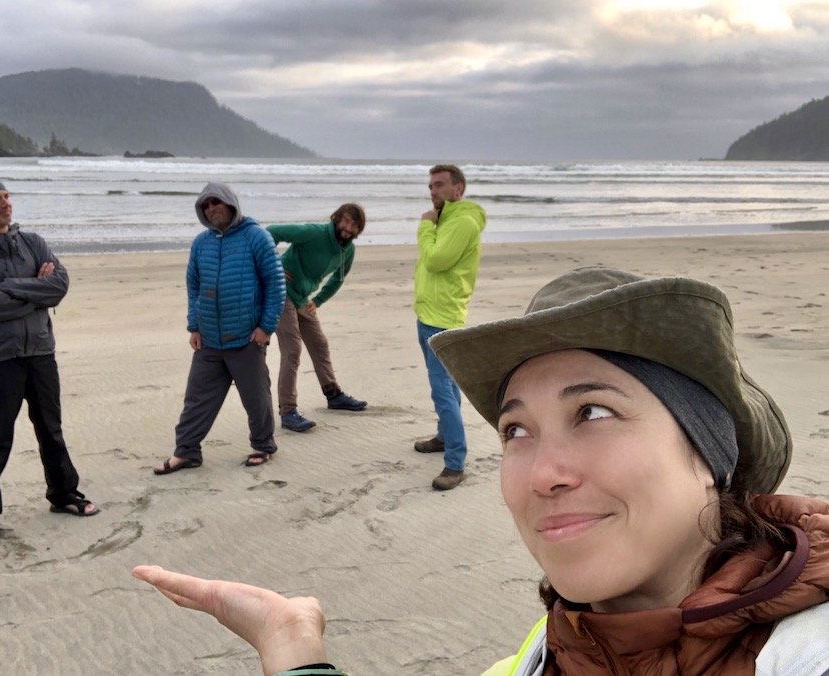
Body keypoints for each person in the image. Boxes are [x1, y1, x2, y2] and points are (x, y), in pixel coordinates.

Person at [133, 266, 828, 675]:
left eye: (592, 413)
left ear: (709, 453)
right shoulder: (554, 645)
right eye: (517, 429)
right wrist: (295, 647)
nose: (541, 474)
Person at [0, 175, 99, 550]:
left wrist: (9, 287)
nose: (6, 203)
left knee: (51, 429)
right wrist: (35, 289)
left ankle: (64, 494)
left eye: (6, 196)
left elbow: (59, 286)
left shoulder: (33, 243)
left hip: (40, 353)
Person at [153, 182, 285, 473]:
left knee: (256, 398)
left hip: (246, 337)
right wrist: (194, 326)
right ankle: (187, 452)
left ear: (230, 203)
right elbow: (194, 285)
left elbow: (275, 284)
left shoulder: (257, 237)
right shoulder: (202, 242)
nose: (211, 209)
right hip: (210, 339)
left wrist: (266, 327)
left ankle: (263, 445)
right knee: (196, 399)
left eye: (216, 202)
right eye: (205, 205)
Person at [412, 164, 486, 490]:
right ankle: (444, 437)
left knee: (442, 389)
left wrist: (424, 227)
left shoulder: (463, 222)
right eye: (430, 185)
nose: (433, 191)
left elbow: (436, 261)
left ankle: (455, 464)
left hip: (442, 319)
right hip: (429, 314)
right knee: (448, 386)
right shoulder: (447, 219)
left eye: (440, 184)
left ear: (459, 188)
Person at [266, 204, 369, 433]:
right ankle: (288, 411)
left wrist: (319, 300)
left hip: (302, 298)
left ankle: (333, 395)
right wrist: (271, 266)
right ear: (336, 219)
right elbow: (271, 232)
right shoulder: (314, 233)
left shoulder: (348, 250)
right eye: (345, 221)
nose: (347, 228)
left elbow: (338, 280)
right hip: (281, 291)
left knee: (319, 344)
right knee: (292, 350)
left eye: (354, 225)